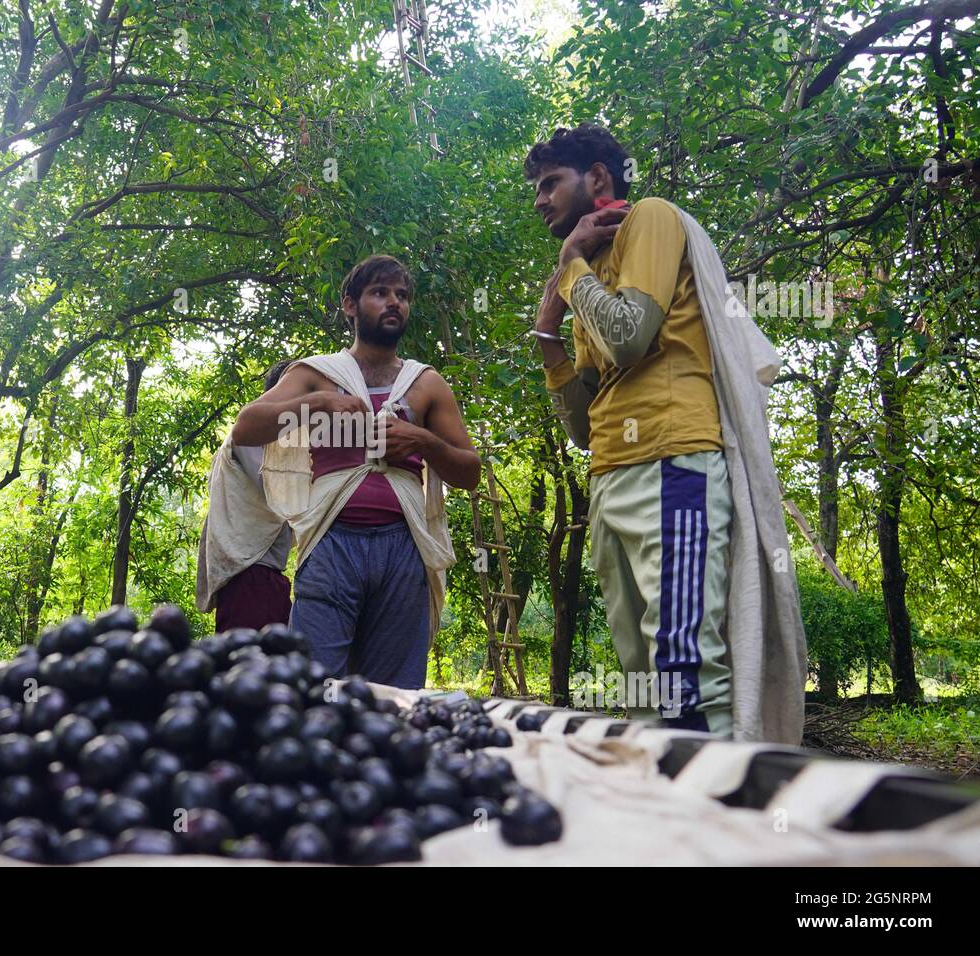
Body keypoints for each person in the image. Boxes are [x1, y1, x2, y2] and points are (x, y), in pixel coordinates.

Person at [527, 124, 735, 734]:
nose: (539, 199)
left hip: (673, 460)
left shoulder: (650, 217)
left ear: (597, 178)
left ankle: (712, 815)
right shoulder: (589, 268)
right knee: (640, 679)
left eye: (549, 184)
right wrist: (547, 337)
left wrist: (569, 272)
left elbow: (628, 337)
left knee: (682, 664)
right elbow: (583, 426)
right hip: (610, 474)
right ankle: (656, 814)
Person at [232, 254, 480, 689]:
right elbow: (246, 428)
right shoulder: (316, 375)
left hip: (404, 548)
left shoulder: (426, 384)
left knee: (395, 693)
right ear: (350, 305)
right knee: (315, 688)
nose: (393, 303)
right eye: (380, 293)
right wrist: (318, 404)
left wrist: (421, 441)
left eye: (402, 296)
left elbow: (470, 472)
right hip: (331, 544)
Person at [196, 361, 296, 633]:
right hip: (251, 573)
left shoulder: (273, 442)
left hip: (260, 575)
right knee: (251, 663)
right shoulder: (251, 435)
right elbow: (280, 492)